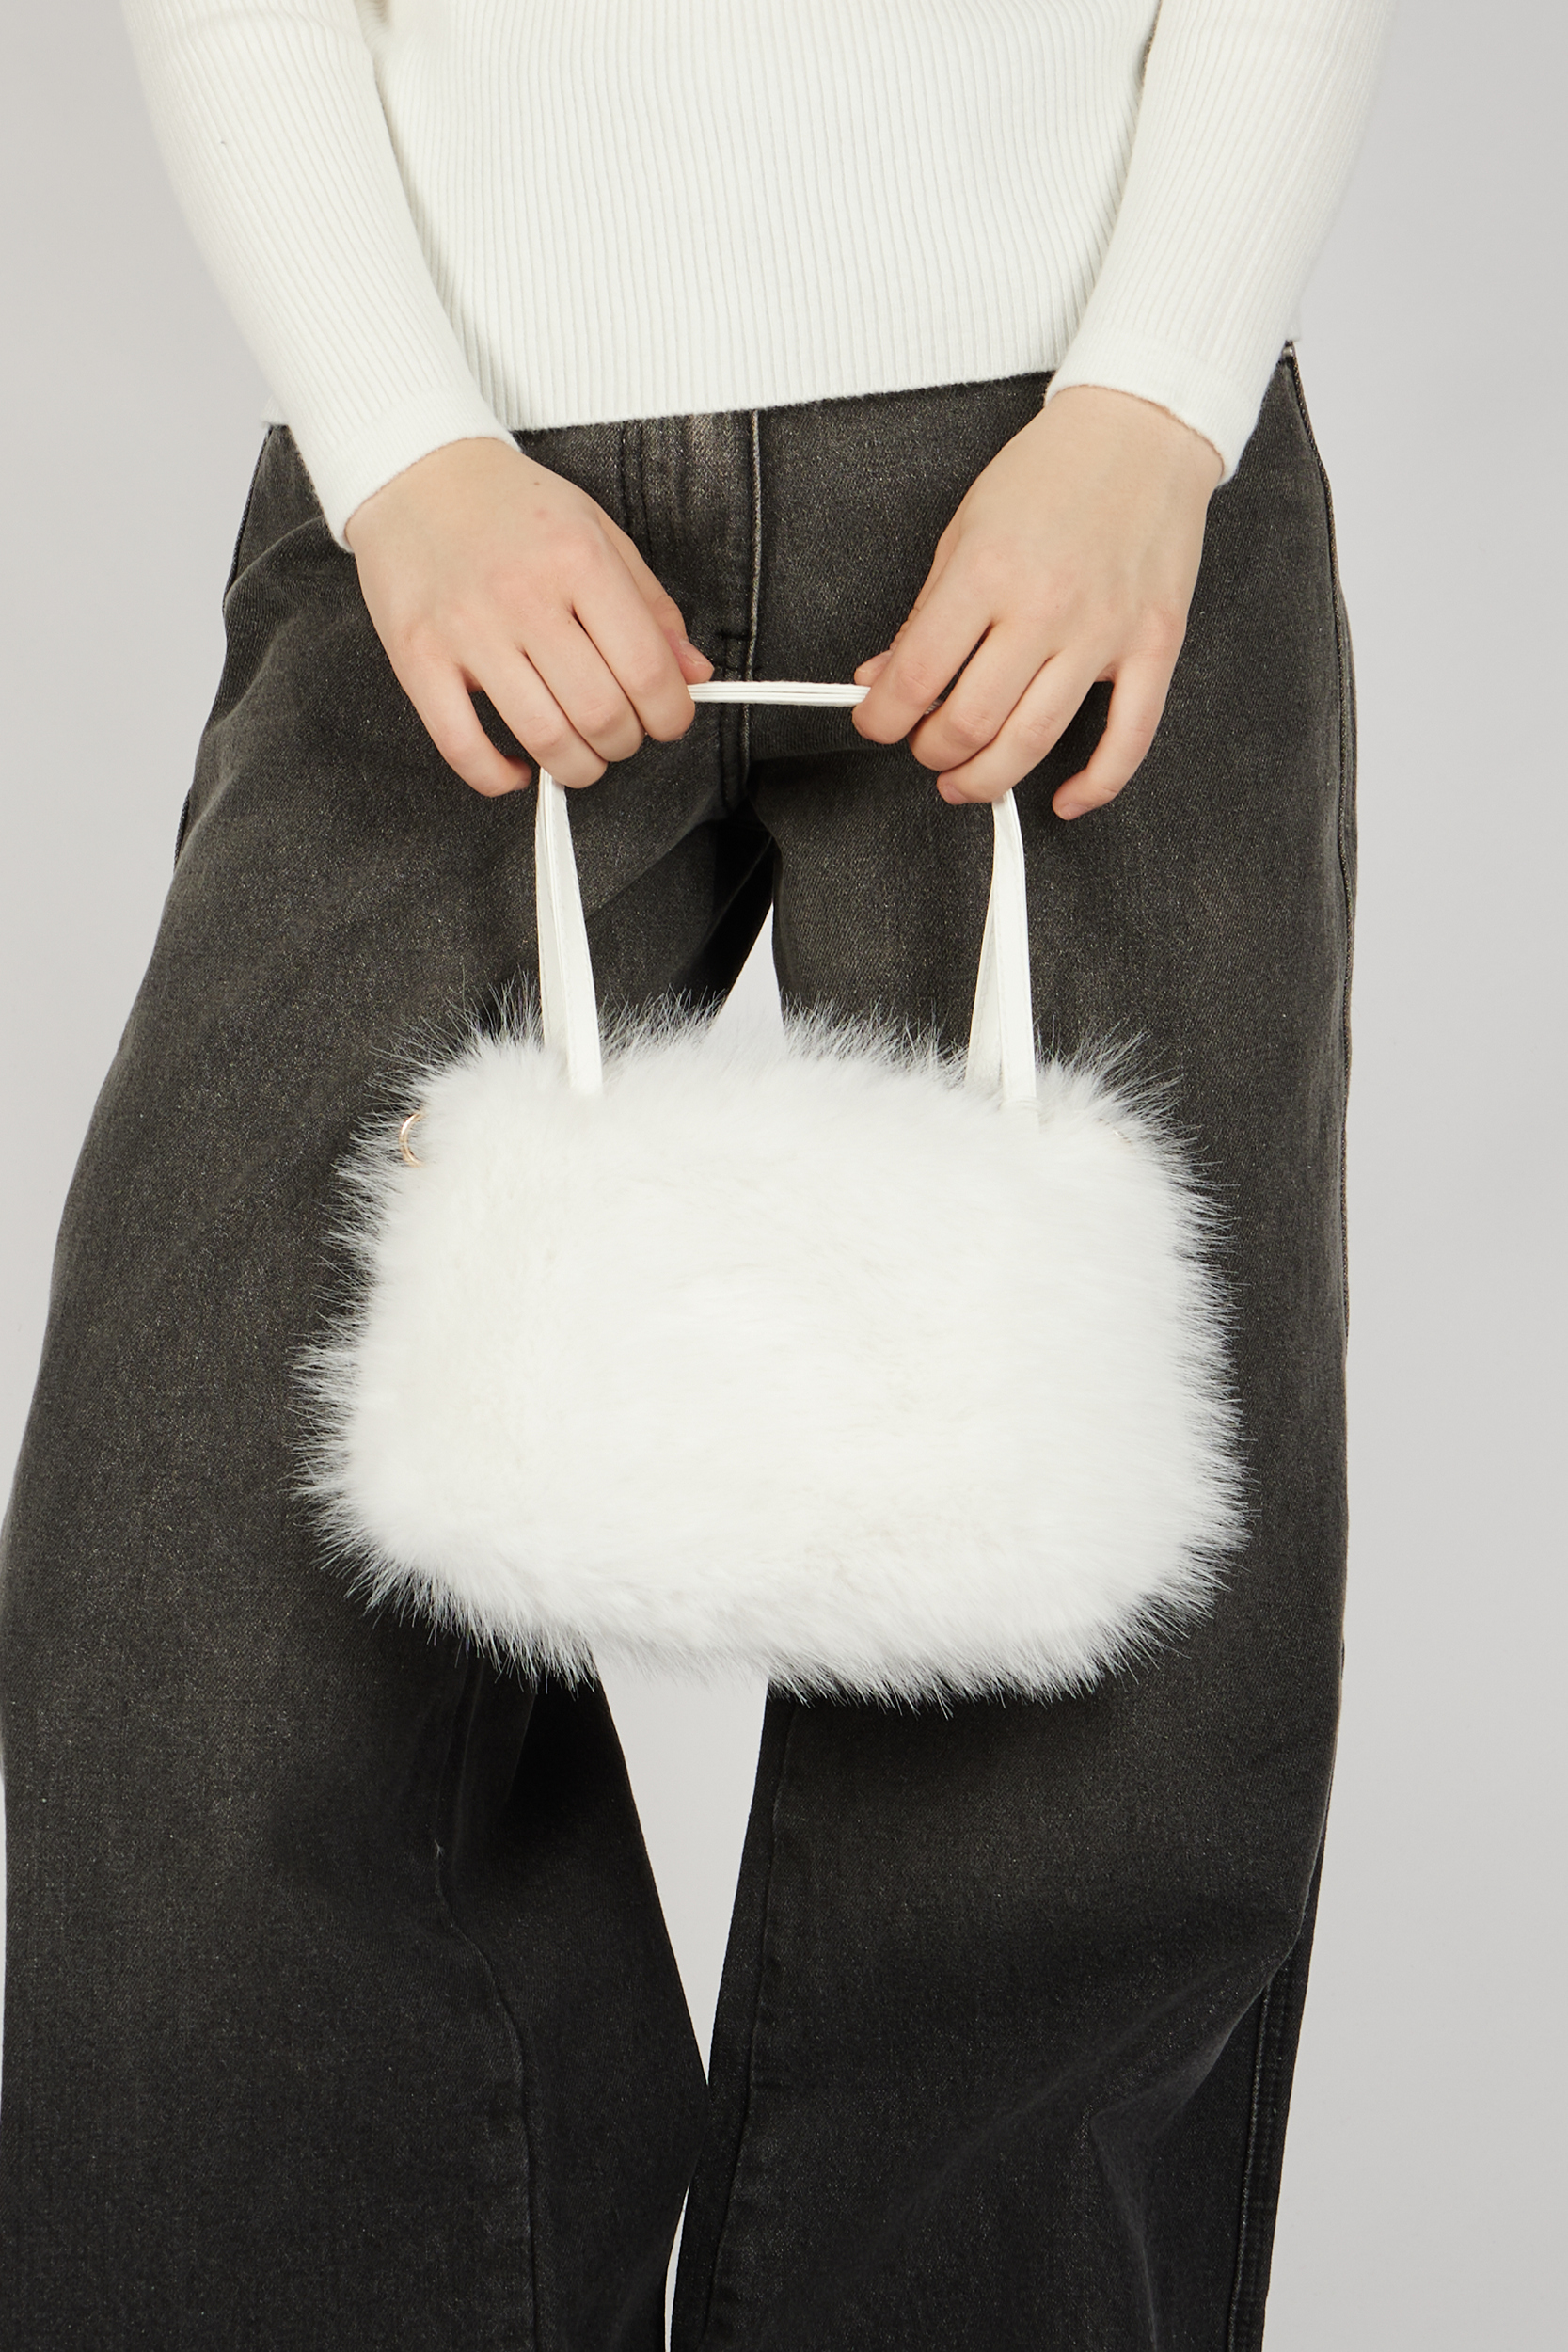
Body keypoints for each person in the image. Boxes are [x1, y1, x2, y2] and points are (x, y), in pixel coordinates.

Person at [0, 3, 1393, 2344]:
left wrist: (1157, 399)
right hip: (456, 497)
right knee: (194, 1609)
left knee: (1079, 1739)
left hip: (1082, 470)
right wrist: (400, 443)